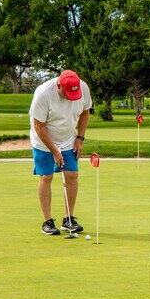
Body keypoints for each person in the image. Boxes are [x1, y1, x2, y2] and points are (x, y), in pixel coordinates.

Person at [29, 70, 92, 235]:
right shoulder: (43, 94)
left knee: (72, 175)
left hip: (68, 139)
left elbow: (85, 113)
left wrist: (80, 138)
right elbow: (39, 126)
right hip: (43, 141)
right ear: (59, 86)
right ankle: (47, 222)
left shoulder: (83, 88)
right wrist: (54, 151)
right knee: (46, 177)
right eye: (66, 93)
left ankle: (68, 219)